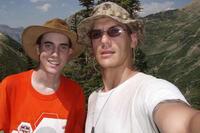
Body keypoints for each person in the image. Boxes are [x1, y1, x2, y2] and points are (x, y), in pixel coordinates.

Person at [77, 2, 200, 133]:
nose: (104, 40)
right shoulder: (93, 98)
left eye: (114, 31)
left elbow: (186, 123)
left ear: (133, 39)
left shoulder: (151, 90)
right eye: (96, 34)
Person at [0, 18, 86, 133]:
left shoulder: (75, 93)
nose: (55, 54)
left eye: (63, 47)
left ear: (69, 53)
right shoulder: (10, 86)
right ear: (38, 49)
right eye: (48, 46)